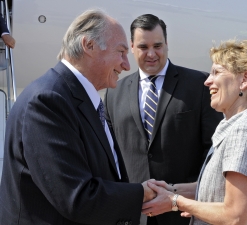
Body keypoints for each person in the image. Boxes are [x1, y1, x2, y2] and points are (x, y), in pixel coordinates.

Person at [0, 9, 155, 225]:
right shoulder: (48, 101)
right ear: (88, 46)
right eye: (120, 52)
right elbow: (76, 197)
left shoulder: (77, 98)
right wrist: (141, 193)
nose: (127, 65)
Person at [142, 39, 247, 225]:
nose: (207, 81)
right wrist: (172, 190)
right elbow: (217, 189)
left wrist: (175, 202)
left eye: (217, 72)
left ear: (245, 80)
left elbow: (234, 216)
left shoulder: (246, 131)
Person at [104, 14, 223, 225]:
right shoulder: (114, 93)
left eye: (157, 45)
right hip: (132, 213)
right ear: (131, 47)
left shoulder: (198, 86)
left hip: (182, 212)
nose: (151, 54)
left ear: (167, 44)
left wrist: (196, 196)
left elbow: (214, 151)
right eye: (143, 47)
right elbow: (110, 154)